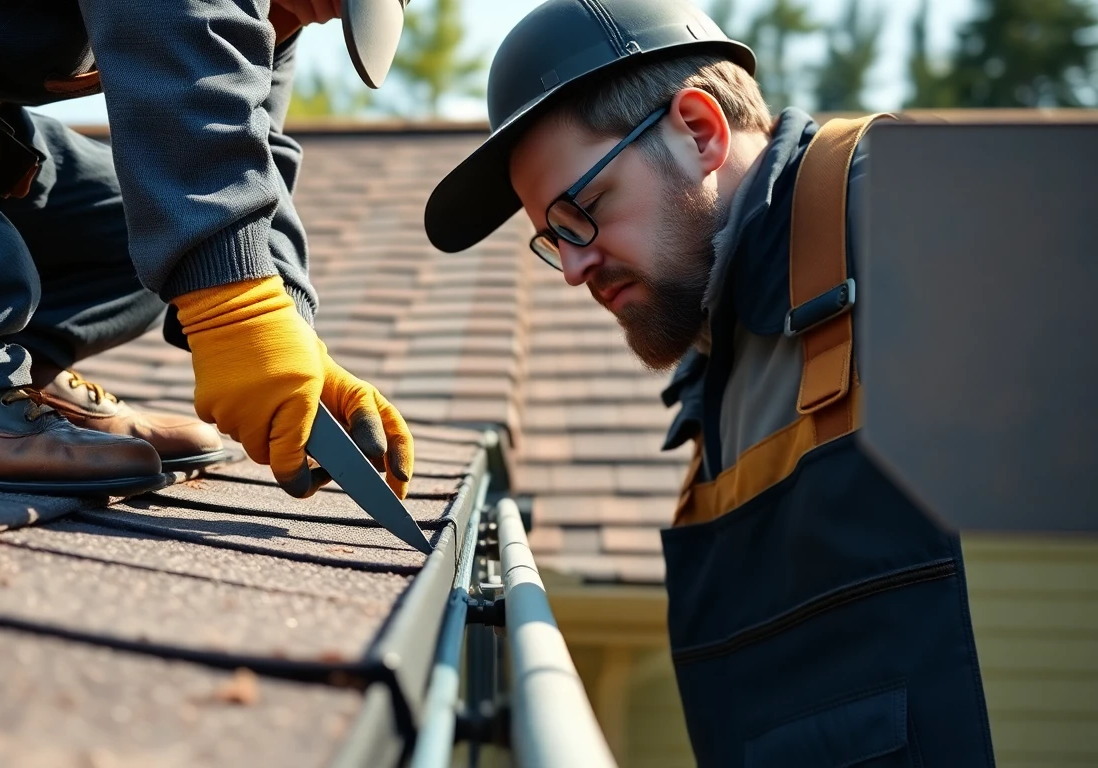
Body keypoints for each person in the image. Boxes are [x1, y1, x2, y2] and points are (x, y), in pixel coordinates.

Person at [425, 0, 995, 764]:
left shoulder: (914, 210)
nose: (570, 268)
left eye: (583, 213)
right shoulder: (722, 361)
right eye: (551, 236)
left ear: (699, 131)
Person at [0, 0, 413, 499]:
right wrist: (234, 310)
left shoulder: (277, 11)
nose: (326, 16)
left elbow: (242, 156)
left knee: (152, 229)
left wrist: (286, 333)